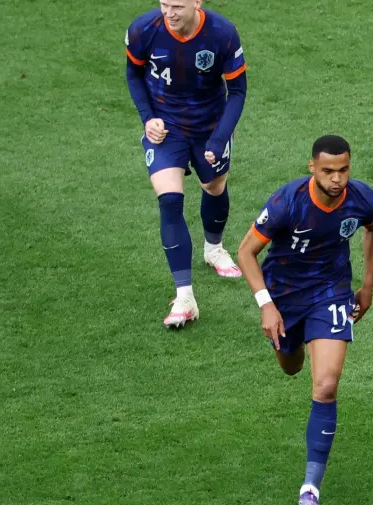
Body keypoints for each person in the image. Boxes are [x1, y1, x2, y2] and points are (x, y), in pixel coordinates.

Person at [236, 136, 373, 505]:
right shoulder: (289, 201)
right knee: (291, 365)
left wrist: (366, 285)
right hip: (284, 296)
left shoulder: (361, 198)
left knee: (327, 385)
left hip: (331, 292)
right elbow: (245, 251)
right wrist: (266, 306)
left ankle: (310, 489)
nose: (337, 179)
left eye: (344, 170)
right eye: (329, 171)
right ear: (312, 168)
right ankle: (291, 345)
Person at [125, 0, 248, 327]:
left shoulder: (222, 33)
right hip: (165, 130)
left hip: (208, 127)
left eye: (178, 5)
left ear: (197, 2)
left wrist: (220, 139)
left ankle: (213, 248)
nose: (170, 12)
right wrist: (147, 119)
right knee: (169, 200)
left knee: (214, 185)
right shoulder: (143, 29)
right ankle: (185, 297)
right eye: (165, 4)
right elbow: (133, 73)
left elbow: (237, 91)